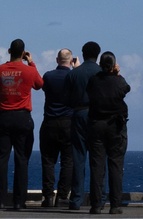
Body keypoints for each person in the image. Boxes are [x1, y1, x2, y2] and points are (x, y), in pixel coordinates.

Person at [0, 39, 44, 211]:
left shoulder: (1, 70)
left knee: (2, 159)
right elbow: (40, 85)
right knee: (22, 160)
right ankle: (19, 201)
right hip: (22, 117)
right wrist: (31, 62)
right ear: (24, 52)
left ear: (9, 51)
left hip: (3, 117)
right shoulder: (29, 71)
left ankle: (1, 200)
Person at [87, 52, 130, 215]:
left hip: (96, 124)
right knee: (116, 165)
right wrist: (117, 74)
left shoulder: (93, 81)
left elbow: (89, 90)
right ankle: (115, 205)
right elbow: (127, 88)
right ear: (113, 65)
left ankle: (96, 204)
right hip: (115, 126)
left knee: (97, 166)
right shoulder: (118, 81)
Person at [64, 41, 102, 210]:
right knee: (99, 159)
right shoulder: (103, 72)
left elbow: (66, 99)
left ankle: (76, 199)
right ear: (98, 54)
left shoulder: (74, 74)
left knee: (78, 158)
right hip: (99, 117)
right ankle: (99, 199)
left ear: (82, 54)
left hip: (79, 114)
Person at [40, 48, 75, 207]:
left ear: (56, 60)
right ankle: (62, 196)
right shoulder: (73, 76)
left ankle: (47, 196)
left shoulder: (48, 76)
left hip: (49, 122)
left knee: (48, 161)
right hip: (68, 122)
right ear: (71, 60)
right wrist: (77, 68)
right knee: (67, 161)